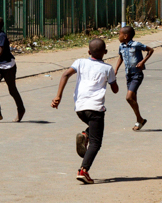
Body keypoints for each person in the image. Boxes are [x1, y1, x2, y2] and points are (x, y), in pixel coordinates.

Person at [51, 38, 119, 185]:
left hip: (80, 108)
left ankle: (85, 134)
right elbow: (115, 90)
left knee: (93, 130)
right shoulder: (108, 68)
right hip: (95, 109)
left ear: (89, 52)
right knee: (96, 143)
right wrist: (111, 79)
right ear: (105, 52)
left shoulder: (80, 62)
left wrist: (58, 96)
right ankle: (83, 170)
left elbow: (65, 75)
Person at [113, 26, 153, 130]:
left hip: (137, 74)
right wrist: (116, 69)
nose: (118, 36)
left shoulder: (136, 45)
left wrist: (142, 62)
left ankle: (139, 119)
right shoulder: (121, 46)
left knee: (128, 97)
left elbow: (150, 50)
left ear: (125, 36)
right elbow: (121, 58)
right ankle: (139, 121)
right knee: (133, 99)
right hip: (128, 75)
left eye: (119, 34)